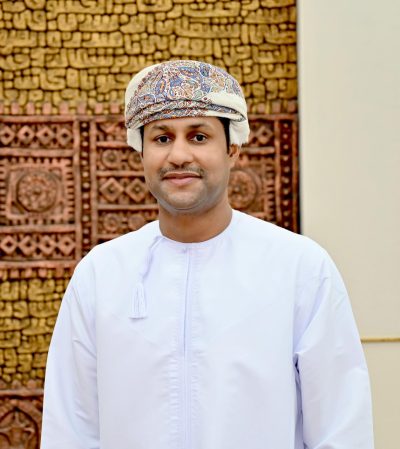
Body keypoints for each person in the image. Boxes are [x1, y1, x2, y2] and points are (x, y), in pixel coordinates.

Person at [41, 60, 374, 449]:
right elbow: (71, 429)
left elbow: (340, 428)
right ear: (141, 153)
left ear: (232, 149)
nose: (179, 155)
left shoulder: (299, 268)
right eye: (162, 138)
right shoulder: (101, 275)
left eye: (198, 136)